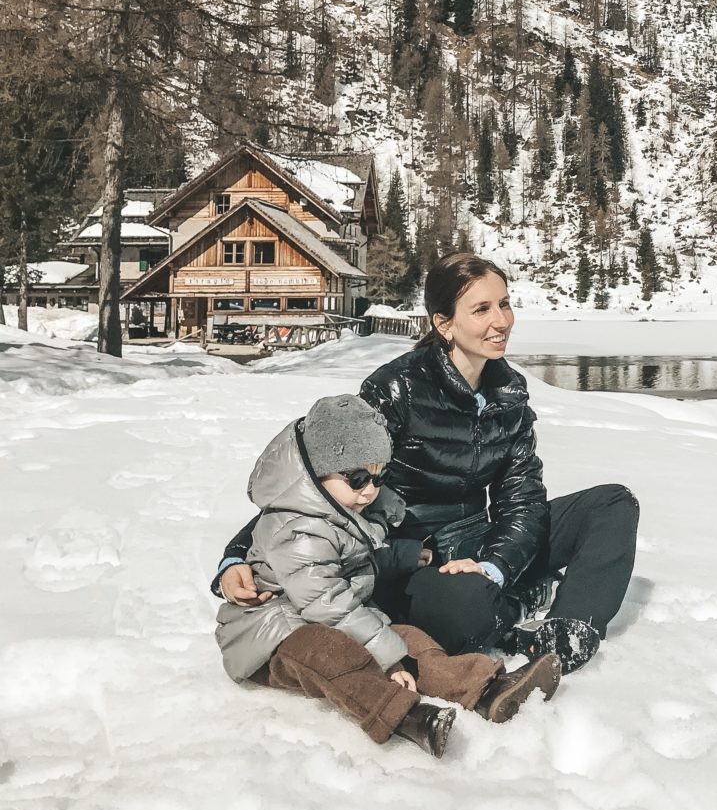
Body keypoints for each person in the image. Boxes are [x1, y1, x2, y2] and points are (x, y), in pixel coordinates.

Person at [216, 253, 639, 673]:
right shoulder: (397, 388)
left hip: (483, 539)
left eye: (505, 304)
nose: (502, 321)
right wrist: (235, 557)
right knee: (463, 609)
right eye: (482, 309)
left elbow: (523, 499)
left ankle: (566, 631)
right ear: (444, 323)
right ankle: (513, 604)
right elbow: (318, 480)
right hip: (414, 556)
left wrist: (495, 565)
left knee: (612, 505)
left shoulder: (509, 393)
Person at [215, 393, 560, 759]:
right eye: (357, 478)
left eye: (380, 477)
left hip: (329, 615)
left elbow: (359, 558)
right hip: (270, 635)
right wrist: (388, 659)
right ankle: (408, 716)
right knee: (335, 654)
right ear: (317, 472)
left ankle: (488, 689)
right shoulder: (299, 530)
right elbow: (326, 604)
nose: (370, 490)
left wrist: (407, 556)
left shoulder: (343, 508)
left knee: (409, 639)